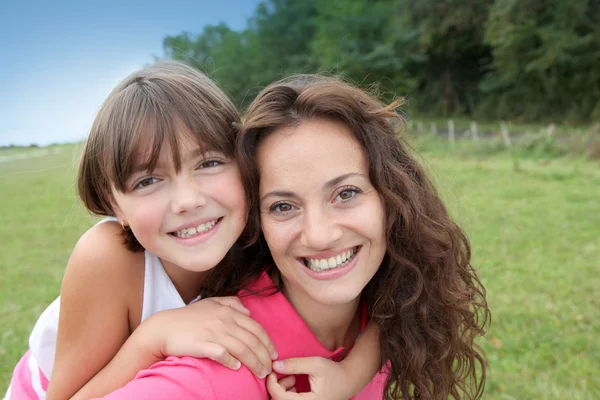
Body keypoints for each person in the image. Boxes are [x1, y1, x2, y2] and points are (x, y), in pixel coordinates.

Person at [93, 75, 490, 400]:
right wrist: (152, 337)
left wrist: (350, 376)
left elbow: (392, 317)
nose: (319, 235)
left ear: (394, 197)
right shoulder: (212, 372)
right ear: (257, 221)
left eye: (346, 193)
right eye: (283, 206)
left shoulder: (386, 298)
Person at [4, 63, 381, 400]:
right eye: (148, 180)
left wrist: (349, 377)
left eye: (209, 163)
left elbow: (385, 306)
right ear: (115, 203)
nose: (186, 200)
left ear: (245, 165)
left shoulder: (262, 227)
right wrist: (154, 336)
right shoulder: (109, 257)